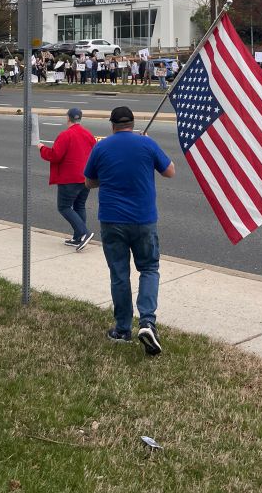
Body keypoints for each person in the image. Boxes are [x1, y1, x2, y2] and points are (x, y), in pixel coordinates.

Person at [84, 105, 175, 355]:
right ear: (132, 124)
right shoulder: (146, 144)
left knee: (119, 274)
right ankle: (147, 321)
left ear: (112, 125)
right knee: (149, 268)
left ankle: (122, 328)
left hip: (112, 219)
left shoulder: (101, 147)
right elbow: (170, 171)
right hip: (144, 219)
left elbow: (89, 182)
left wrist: (109, 175)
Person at [39, 107, 96, 249]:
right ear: (80, 118)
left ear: (68, 118)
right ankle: (78, 238)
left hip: (69, 178)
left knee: (64, 207)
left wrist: (41, 148)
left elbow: (55, 156)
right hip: (85, 177)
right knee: (79, 205)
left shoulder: (66, 135)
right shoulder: (88, 134)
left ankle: (84, 233)